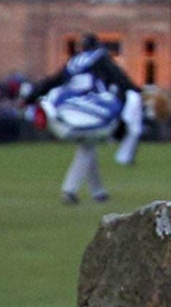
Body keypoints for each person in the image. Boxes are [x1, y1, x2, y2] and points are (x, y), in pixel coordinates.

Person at [26, 34, 142, 206]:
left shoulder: (73, 62)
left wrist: (30, 97)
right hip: (92, 108)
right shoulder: (101, 59)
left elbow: (52, 81)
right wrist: (137, 91)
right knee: (88, 146)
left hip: (67, 108)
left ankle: (98, 192)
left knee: (88, 145)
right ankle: (69, 190)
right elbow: (119, 79)